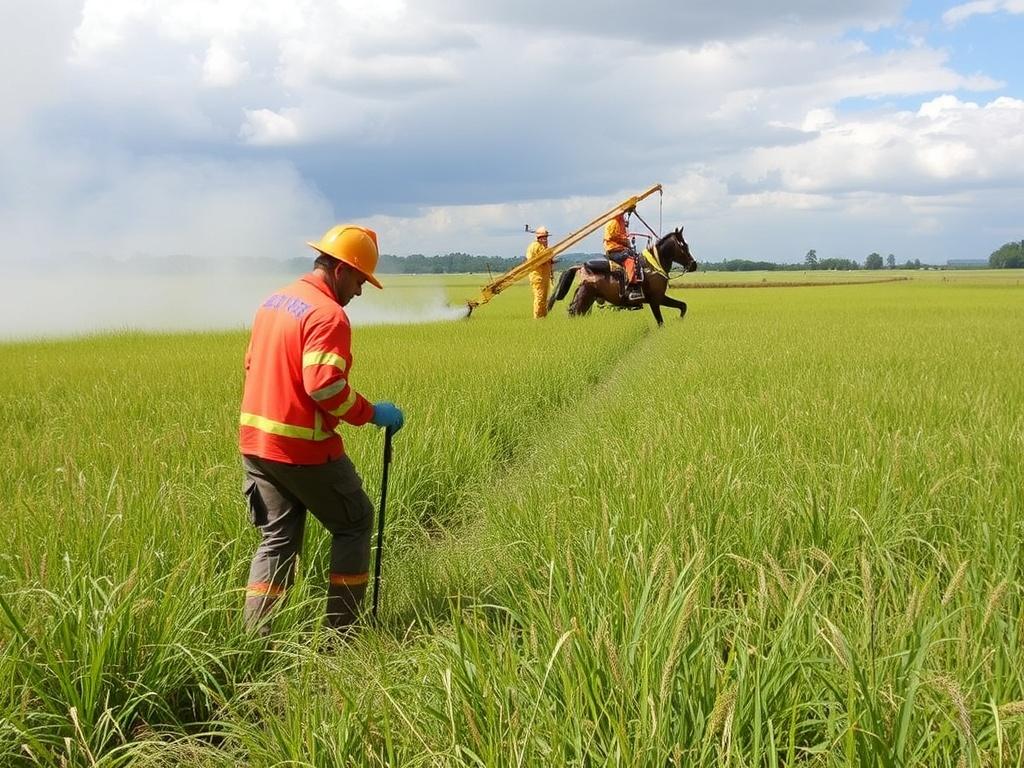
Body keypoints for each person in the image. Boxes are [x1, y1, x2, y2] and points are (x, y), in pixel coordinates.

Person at [239, 224, 405, 635]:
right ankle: (343, 634)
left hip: (256, 444)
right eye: (360, 280)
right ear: (341, 270)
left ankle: (255, 640)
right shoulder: (329, 315)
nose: (360, 292)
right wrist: (372, 413)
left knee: (278, 540)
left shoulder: (274, 301)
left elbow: (251, 364)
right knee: (355, 521)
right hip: (303, 448)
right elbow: (324, 386)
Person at [603, 211, 642, 298]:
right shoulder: (614, 222)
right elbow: (613, 236)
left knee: (634, 255)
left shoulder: (618, 221)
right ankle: (632, 286)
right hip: (614, 250)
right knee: (630, 260)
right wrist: (625, 241)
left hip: (617, 249)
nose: (623, 216)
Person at [526, 226, 554, 318]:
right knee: (539, 297)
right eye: (543, 238)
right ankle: (537, 317)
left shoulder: (543, 247)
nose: (545, 240)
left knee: (544, 298)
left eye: (546, 237)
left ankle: (543, 317)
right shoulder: (535, 246)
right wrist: (547, 258)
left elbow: (549, 258)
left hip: (544, 276)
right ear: (539, 238)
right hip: (537, 276)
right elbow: (534, 260)